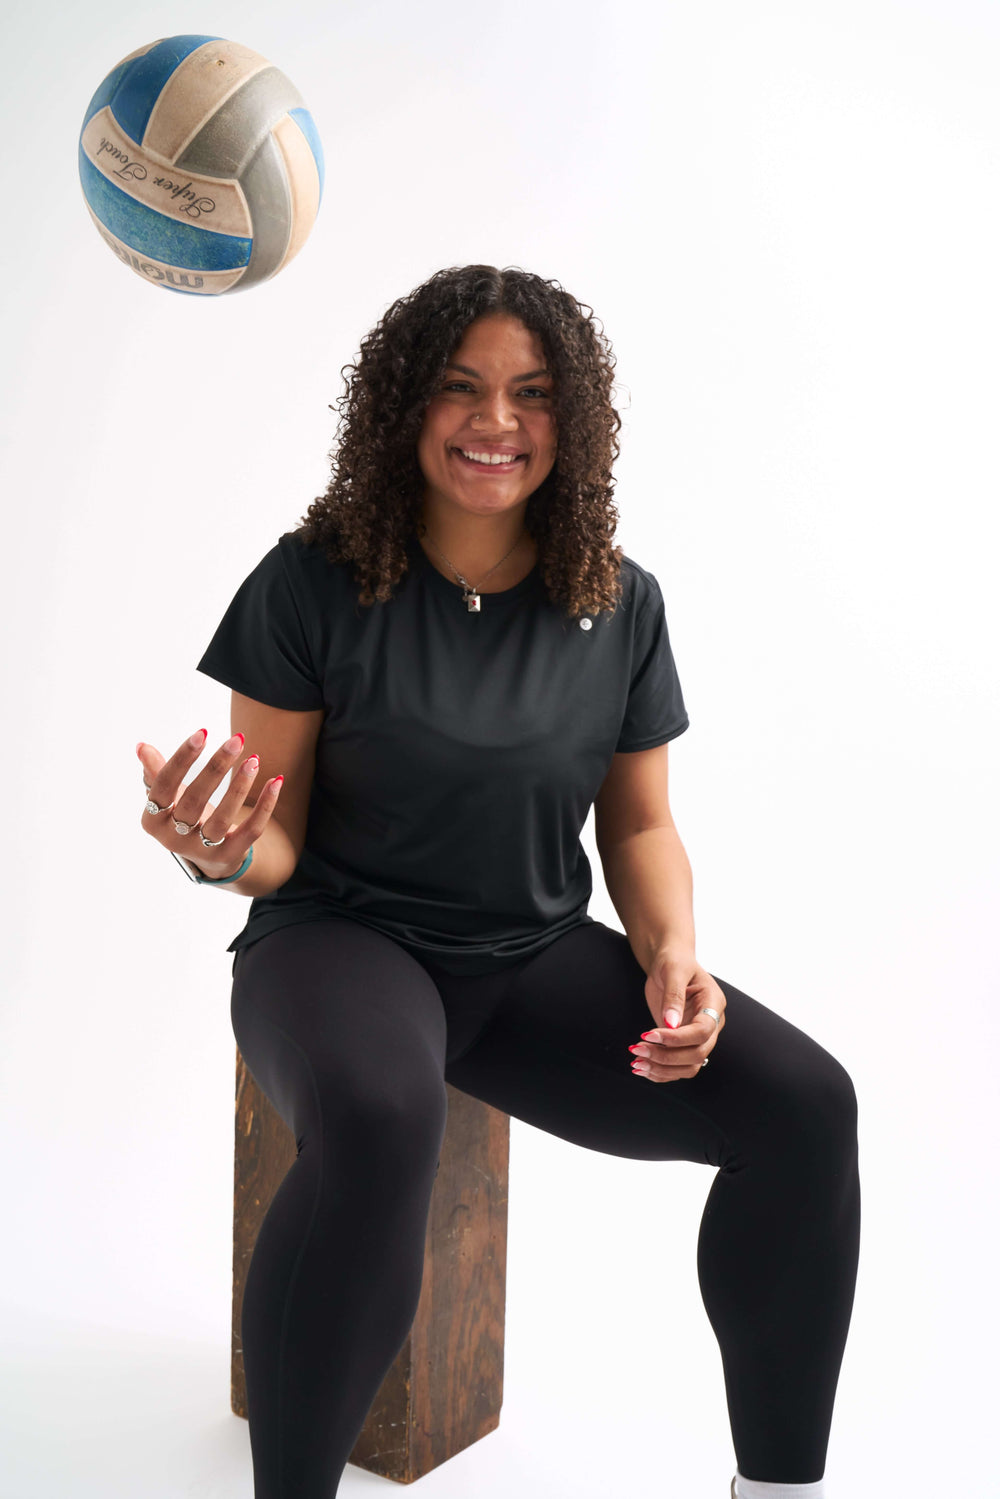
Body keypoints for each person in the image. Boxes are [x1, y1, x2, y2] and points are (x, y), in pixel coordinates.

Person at [136, 265, 861, 1499]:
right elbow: (276, 846)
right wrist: (214, 848)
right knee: (379, 1113)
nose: (497, 421)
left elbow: (638, 824)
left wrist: (671, 949)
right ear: (403, 407)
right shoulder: (313, 579)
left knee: (803, 1104)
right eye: (461, 389)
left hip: (528, 958)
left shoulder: (616, 602)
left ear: (569, 420)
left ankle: (778, 1488)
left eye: (531, 393)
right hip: (339, 939)